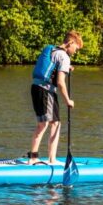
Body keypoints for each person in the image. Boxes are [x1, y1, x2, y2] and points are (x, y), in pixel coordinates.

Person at [27, 31, 83, 165]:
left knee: (45, 124)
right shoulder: (64, 56)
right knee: (52, 124)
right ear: (71, 43)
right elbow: (60, 82)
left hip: (36, 88)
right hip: (47, 91)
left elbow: (52, 66)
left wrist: (66, 68)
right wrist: (68, 100)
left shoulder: (53, 50)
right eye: (76, 48)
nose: (76, 52)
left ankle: (34, 157)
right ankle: (48, 159)